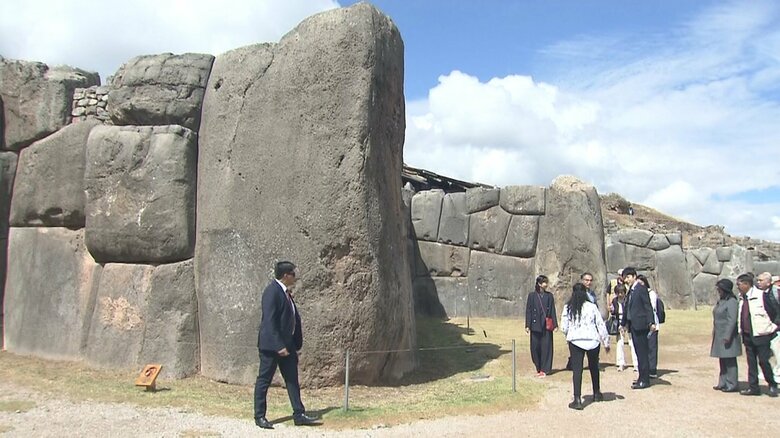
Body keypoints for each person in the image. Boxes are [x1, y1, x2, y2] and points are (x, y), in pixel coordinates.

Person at [254, 261, 320, 429]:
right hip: (272, 347)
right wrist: (278, 345)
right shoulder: (272, 292)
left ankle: (299, 413)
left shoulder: (286, 293)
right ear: (285, 275)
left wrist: (292, 343)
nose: (295, 277)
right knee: (264, 380)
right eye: (293, 274)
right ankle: (260, 416)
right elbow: (269, 321)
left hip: (288, 345)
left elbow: (291, 318)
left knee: (292, 380)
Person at [561, 282, 610, 410]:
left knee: (577, 370)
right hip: (592, 340)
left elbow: (563, 326)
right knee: (594, 367)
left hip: (576, 341)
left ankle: (577, 399)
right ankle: (597, 393)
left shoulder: (568, 307)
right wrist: (606, 342)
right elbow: (600, 324)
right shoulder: (592, 306)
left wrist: (569, 334)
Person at [736, 273, 778, 397]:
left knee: (764, 361)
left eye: (739, 284)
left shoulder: (762, 296)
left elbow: (775, 312)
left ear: (747, 284)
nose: (737, 287)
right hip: (748, 334)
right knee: (751, 362)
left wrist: (773, 327)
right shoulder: (742, 298)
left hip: (761, 334)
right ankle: (753, 387)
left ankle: (772, 384)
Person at [620, 267, 656, 389]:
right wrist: (623, 323)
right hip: (633, 325)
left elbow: (648, 306)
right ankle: (641, 377)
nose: (626, 280)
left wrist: (651, 322)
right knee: (638, 352)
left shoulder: (641, 289)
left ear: (634, 276)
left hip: (641, 325)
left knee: (642, 353)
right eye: (625, 278)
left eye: (628, 277)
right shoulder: (631, 290)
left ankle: (645, 379)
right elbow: (627, 308)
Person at [710, 278, 741, 393]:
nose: (718, 291)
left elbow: (732, 320)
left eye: (719, 289)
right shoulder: (721, 301)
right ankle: (722, 382)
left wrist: (728, 335)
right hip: (719, 334)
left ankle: (732, 383)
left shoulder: (732, 301)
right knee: (722, 360)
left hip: (728, 335)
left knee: (730, 360)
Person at [525, 275, 558, 377]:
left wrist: (555, 325)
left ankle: (545, 369)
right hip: (535, 325)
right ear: (539, 284)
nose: (546, 284)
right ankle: (538, 367)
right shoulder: (532, 296)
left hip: (546, 325)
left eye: (546, 282)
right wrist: (527, 324)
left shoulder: (549, 296)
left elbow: (552, 310)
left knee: (546, 347)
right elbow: (529, 310)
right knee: (535, 347)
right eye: (544, 282)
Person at [566, 272, 598, 370]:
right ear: (582, 280)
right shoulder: (576, 293)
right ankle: (573, 362)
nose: (588, 282)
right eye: (586, 280)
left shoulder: (592, 294)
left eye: (590, 280)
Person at [755, 272, 780, 384]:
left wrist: (775, 325)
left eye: (761, 280)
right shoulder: (759, 293)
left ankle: (778, 373)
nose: (759, 282)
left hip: (776, 327)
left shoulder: (775, 293)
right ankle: (766, 372)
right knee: (765, 351)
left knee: (777, 350)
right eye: (758, 280)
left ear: (769, 282)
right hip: (764, 327)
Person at [637, 275, 661, 378]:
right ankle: (644, 369)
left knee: (652, 347)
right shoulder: (636, 293)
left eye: (641, 283)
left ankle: (652, 370)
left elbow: (651, 308)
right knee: (643, 348)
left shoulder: (651, 294)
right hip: (642, 325)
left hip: (652, 324)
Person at [609, 284, 631, 371]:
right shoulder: (615, 301)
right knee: (619, 343)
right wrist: (612, 310)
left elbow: (629, 312)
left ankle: (637, 364)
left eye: (622, 293)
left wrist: (625, 325)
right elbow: (614, 313)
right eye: (618, 293)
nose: (620, 295)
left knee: (631, 343)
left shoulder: (627, 300)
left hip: (628, 323)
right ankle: (620, 363)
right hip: (618, 323)